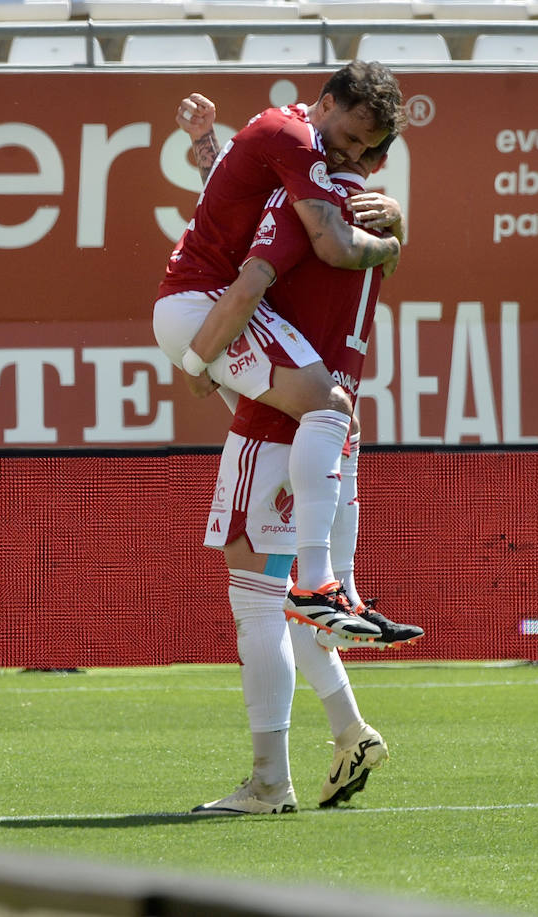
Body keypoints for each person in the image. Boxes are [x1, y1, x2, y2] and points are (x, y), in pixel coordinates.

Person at [192, 140, 420, 815]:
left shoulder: (313, 215)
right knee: (300, 607)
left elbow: (250, 259)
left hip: (278, 431)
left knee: (259, 604)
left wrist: (202, 355)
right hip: (334, 436)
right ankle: (350, 729)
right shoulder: (376, 221)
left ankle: (269, 780)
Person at [152, 62, 406, 642]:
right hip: (205, 304)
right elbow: (335, 247)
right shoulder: (297, 140)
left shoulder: (292, 140)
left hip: (216, 305)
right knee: (331, 409)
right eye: (349, 138)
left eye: (365, 149)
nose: (349, 156)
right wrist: (395, 239)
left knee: (341, 423)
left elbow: (224, 185)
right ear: (327, 102)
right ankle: (318, 584)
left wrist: (203, 141)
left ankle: (335, 592)